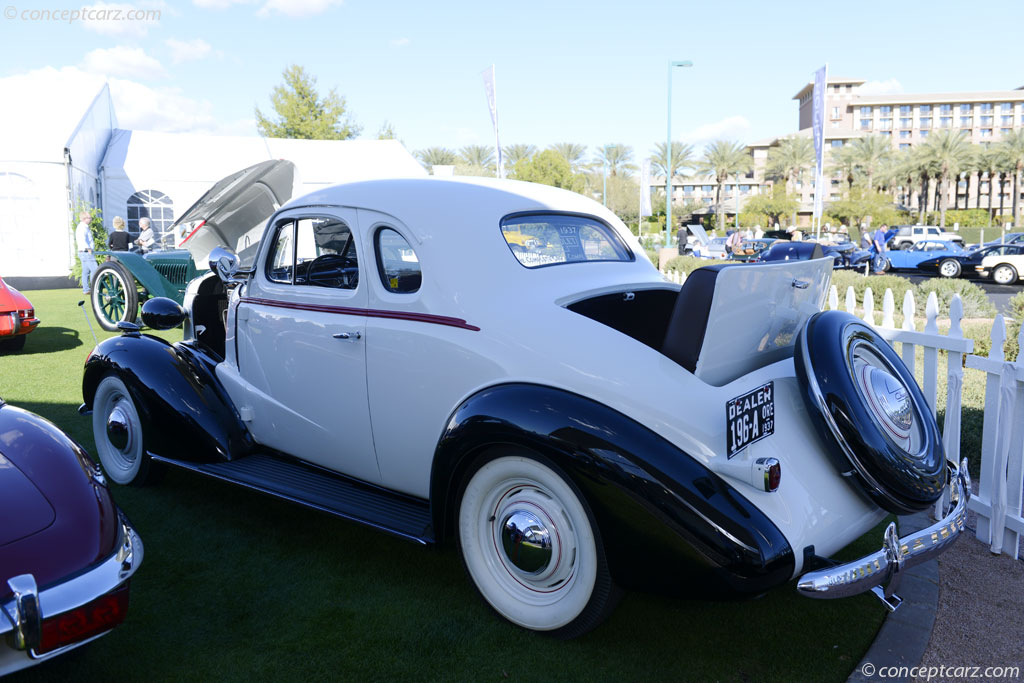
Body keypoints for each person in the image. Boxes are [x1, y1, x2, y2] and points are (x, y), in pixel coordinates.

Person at [75, 210, 97, 294]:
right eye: (89, 218)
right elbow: (82, 240)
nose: (91, 219)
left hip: (82, 252)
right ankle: (94, 287)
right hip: (86, 252)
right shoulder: (82, 227)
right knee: (95, 269)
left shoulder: (82, 227)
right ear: (85, 219)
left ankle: (86, 289)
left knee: (86, 271)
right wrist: (89, 249)